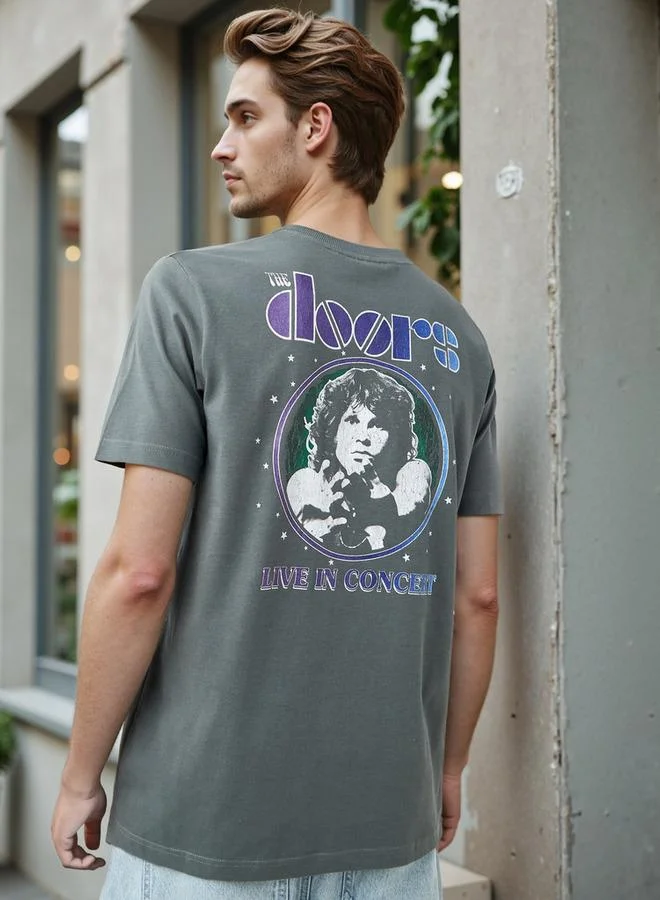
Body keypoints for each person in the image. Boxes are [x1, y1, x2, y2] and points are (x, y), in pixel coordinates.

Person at [51, 8, 502, 900]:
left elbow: (139, 573)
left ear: (316, 127)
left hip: (203, 825)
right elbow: (478, 598)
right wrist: (448, 771)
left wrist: (78, 776)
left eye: (245, 117)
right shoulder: (461, 340)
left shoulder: (191, 292)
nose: (222, 145)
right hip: (390, 824)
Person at [286, 367, 432, 551]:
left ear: (396, 436)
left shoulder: (414, 472)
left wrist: (379, 504)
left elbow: (412, 504)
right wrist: (316, 525)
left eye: (377, 424)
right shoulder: (307, 481)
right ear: (333, 431)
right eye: (353, 421)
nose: (363, 436)